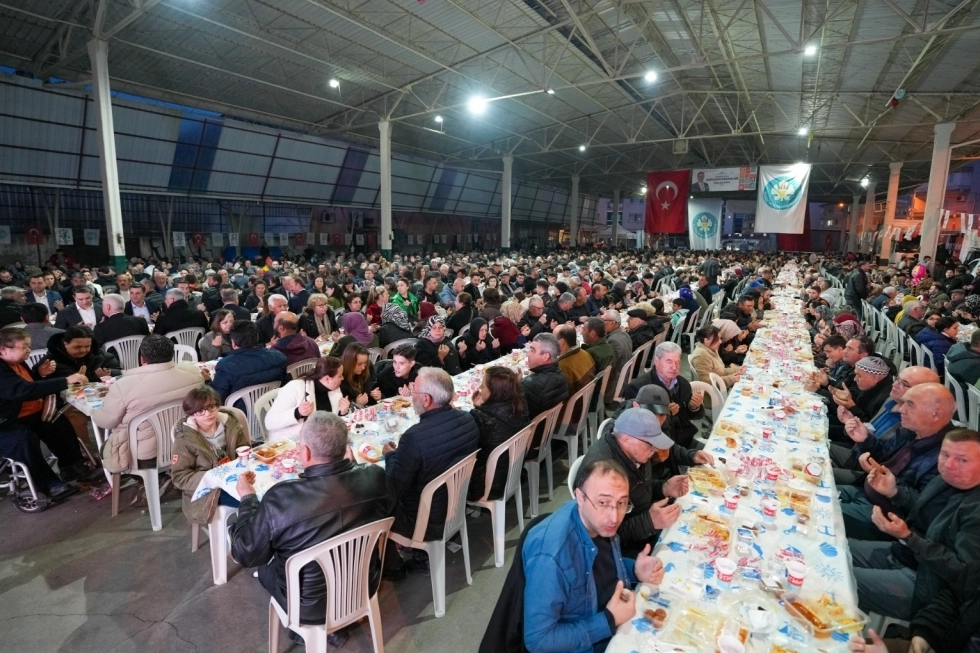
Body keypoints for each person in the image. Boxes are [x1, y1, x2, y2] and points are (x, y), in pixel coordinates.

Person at [230, 411, 392, 633]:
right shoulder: (375, 476)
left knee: (265, 565)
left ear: (304, 452)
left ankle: (307, 632)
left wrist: (247, 499)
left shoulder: (280, 497)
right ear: (346, 448)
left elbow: (245, 553)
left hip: (308, 607)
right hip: (364, 584)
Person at [522, 458, 667, 653]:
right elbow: (538, 640)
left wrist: (634, 569)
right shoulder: (552, 557)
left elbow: (599, 568)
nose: (614, 517)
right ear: (580, 497)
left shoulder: (598, 522)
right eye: (603, 502)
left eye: (622, 503)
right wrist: (609, 620)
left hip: (615, 618)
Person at [847, 427, 980, 623]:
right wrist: (894, 492)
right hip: (904, 554)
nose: (949, 464)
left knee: (838, 581)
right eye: (944, 454)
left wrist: (909, 538)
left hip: (928, 585)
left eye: (963, 460)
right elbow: (919, 512)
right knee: (832, 549)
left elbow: (964, 574)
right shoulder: (943, 481)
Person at [382, 367, 479, 575]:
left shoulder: (414, 437)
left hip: (426, 518)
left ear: (426, 399)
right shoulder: (468, 419)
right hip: (456, 504)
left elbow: (394, 488)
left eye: (414, 392)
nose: (412, 396)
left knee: (374, 498)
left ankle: (393, 566)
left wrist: (391, 456)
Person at [839, 383, 956, 540]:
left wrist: (895, 490)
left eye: (910, 404)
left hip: (885, 515)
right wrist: (865, 439)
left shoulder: (948, 455)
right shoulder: (912, 430)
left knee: (817, 510)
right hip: (865, 490)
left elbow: (925, 508)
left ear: (936, 414)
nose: (901, 409)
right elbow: (884, 454)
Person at [578, 407, 697, 557]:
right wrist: (649, 522)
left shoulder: (638, 453)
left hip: (644, 528)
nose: (655, 449)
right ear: (627, 439)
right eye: (650, 444)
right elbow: (602, 537)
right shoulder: (604, 473)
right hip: (621, 550)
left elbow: (640, 489)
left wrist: (664, 487)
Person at [0, 327, 90, 500]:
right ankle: (48, 484)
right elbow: (20, 390)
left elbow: (26, 384)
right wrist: (65, 380)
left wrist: (38, 374)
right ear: (3, 350)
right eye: (24, 347)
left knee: (58, 422)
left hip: (24, 413)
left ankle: (71, 466)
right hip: (5, 421)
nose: (29, 350)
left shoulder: (15, 362)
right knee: (23, 439)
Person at [95, 335, 206, 474]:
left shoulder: (124, 385)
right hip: (186, 443)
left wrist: (95, 411)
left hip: (144, 456)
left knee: (105, 446)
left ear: (142, 358)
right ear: (172, 354)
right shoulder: (193, 375)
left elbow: (105, 422)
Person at [171, 386, 251, 523]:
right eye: (200, 411)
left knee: (267, 493)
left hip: (234, 478)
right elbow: (180, 477)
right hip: (209, 491)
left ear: (218, 406)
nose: (207, 414)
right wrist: (212, 477)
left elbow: (244, 448)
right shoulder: (185, 439)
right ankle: (242, 535)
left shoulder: (230, 425)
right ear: (192, 414)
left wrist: (244, 458)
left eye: (211, 407)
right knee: (251, 500)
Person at [624, 341, 704, 448]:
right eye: (669, 361)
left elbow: (689, 416)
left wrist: (693, 407)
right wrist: (664, 416)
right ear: (657, 361)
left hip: (685, 440)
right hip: (657, 446)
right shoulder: (638, 388)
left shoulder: (683, 383)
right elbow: (634, 428)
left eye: (677, 362)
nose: (674, 367)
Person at [468, 366, 530, 501]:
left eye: (483, 386)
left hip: (488, 484)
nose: (480, 388)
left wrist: (478, 409)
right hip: (514, 472)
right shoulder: (520, 404)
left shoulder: (481, 417)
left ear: (494, 392)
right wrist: (481, 408)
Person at [265, 357, 351, 440]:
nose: (343, 378)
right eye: (340, 376)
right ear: (327, 379)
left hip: (320, 440)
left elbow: (333, 423)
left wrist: (343, 413)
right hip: (288, 442)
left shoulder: (334, 390)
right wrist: (297, 412)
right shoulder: (295, 387)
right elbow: (269, 422)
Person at [211, 321, 287, 403]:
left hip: (240, 412)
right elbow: (284, 385)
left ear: (233, 343)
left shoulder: (226, 365)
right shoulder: (279, 357)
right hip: (270, 405)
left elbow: (217, 398)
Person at [38, 325, 121, 382]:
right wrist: (41, 373)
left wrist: (110, 373)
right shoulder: (50, 361)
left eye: (87, 346)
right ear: (65, 344)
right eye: (78, 347)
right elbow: (39, 384)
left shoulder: (100, 355)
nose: (83, 350)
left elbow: (120, 372)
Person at [521, 333, 569, 420]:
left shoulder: (530, 384)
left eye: (532, 350)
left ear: (545, 356)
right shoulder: (561, 374)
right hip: (552, 424)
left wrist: (516, 383)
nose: (528, 354)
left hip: (536, 431)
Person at [554, 324, 596, 395]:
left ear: (561, 342)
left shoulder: (562, 366)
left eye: (553, 339)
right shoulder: (585, 353)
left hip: (573, 404)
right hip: (588, 399)